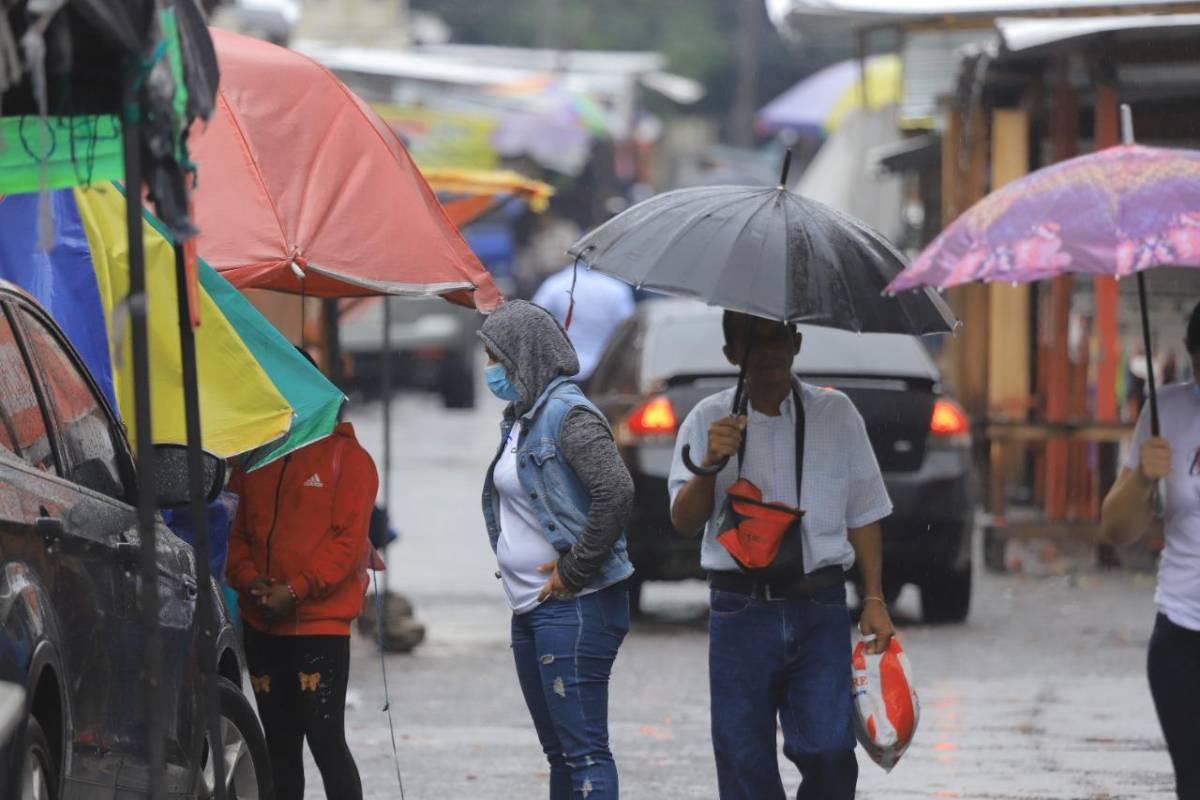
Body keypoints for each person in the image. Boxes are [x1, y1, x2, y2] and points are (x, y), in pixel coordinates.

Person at [669, 311, 896, 800]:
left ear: (796, 343)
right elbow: (683, 521)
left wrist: (874, 598)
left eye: (777, 338)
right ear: (732, 354)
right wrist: (709, 464)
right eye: (753, 341)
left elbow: (865, 511)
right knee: (742, 757)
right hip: (739, 610)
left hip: (819, 606)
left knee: (831, 750)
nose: (768, 351)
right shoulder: (707, 419)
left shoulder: (837, 414)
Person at [478, 300, 635, 800]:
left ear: (522, 356)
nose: (489, 370)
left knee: (585, 752)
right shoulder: (520, 420)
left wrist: (575, 568)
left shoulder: (568, 415)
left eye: (494, 358)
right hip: (530, 607)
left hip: (575, 607)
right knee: (561, 755)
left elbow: (617, 491)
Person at [226, 419, 378, 800]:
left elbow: (347, 544)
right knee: (278, 744)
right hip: (261, 620)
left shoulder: (350, 460)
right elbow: (233, 529)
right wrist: (249, 579)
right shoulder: (254, 459)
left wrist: (295, 590)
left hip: (320, 626)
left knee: (325, 739)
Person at [1101, 300, 1200, 800]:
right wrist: (1143, 475)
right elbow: (1118, 530)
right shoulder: (1167, 412)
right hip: (1183, 635)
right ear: (1192, 356)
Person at [532, 262, 636, 384]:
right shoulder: (617, 289)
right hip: (603, 372)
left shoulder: (555, 284)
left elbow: (533, 321)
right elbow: (628, 329)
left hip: (562, 370)